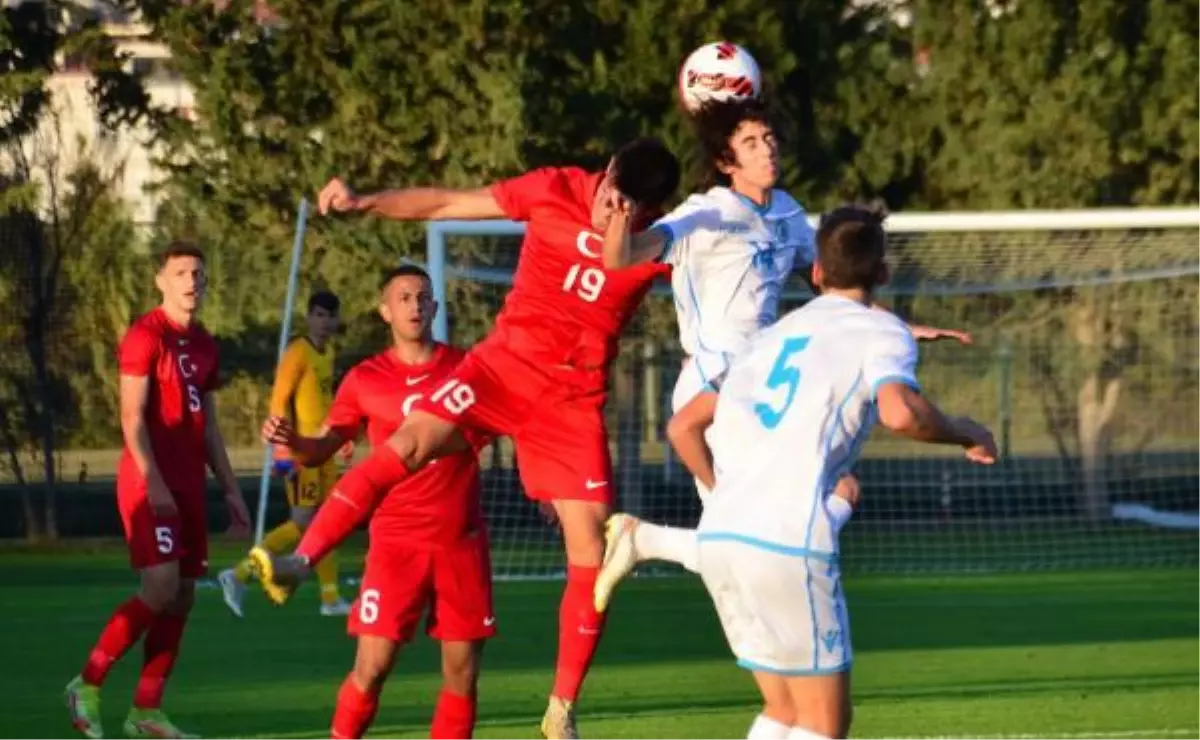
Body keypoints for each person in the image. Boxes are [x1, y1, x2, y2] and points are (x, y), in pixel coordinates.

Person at [251, 136, 682, 739]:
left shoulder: (666, 239)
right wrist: (365, 200)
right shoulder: (555, 189)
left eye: (628, 205)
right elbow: (445, 205)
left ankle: (561, 709)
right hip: (500, 370)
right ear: (605, 169)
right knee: (406, 445)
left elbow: (674, 268)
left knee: (594, 551)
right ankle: (300, 560)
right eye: (610, 190)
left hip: (571, 405)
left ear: (652, 210)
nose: (611, 206)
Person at [591, 99, 971, 611]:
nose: (767, 150)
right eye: (750, 143)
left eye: (769, 139)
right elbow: (622, 259)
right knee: (766, 536)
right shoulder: (705, 213)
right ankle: (658, 548)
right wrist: (620, 220)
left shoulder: (789, 214)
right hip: (712, 377)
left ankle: (647, 542)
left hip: (762, 378)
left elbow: (838, 288)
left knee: (802, 512)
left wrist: (896, 325)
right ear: (726, 162)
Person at [689, 203, 996, 739]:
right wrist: (965, 430)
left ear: (816, 272)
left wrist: (732, 496)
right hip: (786, 541)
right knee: (825, 724)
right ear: (882, 274)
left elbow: (681, 427)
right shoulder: (881, 331)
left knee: (783, 711)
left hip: (719, 535)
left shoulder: (769, 338)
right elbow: (900, 412)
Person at [262, 266, 492, 740]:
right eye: (403, 297)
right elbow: (324, 447)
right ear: (385, 310)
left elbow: (511, 426)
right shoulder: (365, 379)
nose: (413, 304)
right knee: (372, 666)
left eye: (422, 297)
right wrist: (295, 442)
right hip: (396, 544)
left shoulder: (466, 369)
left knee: (462, 676)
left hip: (460, 543)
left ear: (434, 307)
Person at [65, 243, 252, 740]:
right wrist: (153, 481)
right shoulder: (145, 337)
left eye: (198, 273)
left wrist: (231, 492)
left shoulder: (207, 345)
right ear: (160, 281)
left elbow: (209, 429)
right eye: (181, 273)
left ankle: (146, 711)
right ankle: (86, 683)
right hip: (150, 482)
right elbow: (131, 418)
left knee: (184, 595)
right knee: (161, 588)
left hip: (189, 486)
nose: (192, 281)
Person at [219, 290, 351, 617]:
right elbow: (278, 402)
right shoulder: (297, 352)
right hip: (302, 451)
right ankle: (238, 575)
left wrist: (341, 436)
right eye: (319, 315)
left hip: (325, 450)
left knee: (329, 520)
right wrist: (283, 451)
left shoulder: (327, 352)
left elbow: (325, 401)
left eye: (330, 316)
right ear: (309, 317)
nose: (324, 322)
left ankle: (331, 598)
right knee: (302, 522)